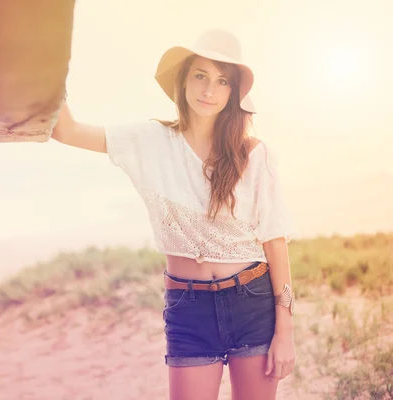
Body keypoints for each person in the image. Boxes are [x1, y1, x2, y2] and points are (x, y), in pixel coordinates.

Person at [51, 28, 296, 400]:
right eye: (200, 75)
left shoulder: (254, 155)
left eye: (222, 81)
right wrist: (53, 65)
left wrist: (285, 331)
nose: (209, 90)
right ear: (183, 81)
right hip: (189, 307)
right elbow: (65, 130)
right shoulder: (150, 141)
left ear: (233, 93)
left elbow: (275, 242)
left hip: (252, 302)